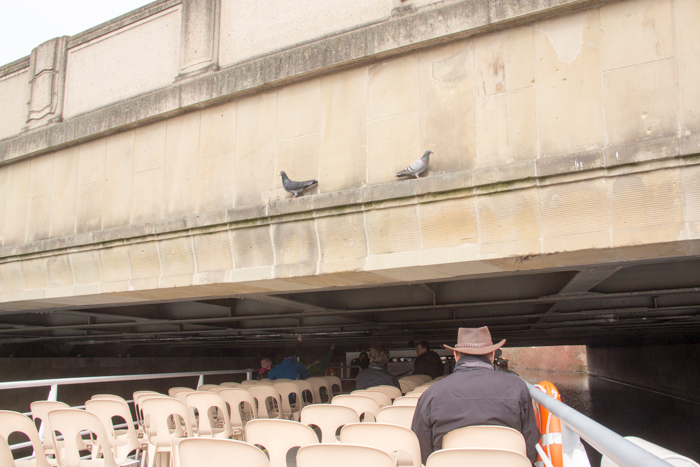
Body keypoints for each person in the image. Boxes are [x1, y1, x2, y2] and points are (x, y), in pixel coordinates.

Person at [411, 327, 540, 464]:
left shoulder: (431, 394)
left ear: (456, 355)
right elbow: (531, 449)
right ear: (492, 355)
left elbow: (423, 452)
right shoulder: (517, 387)